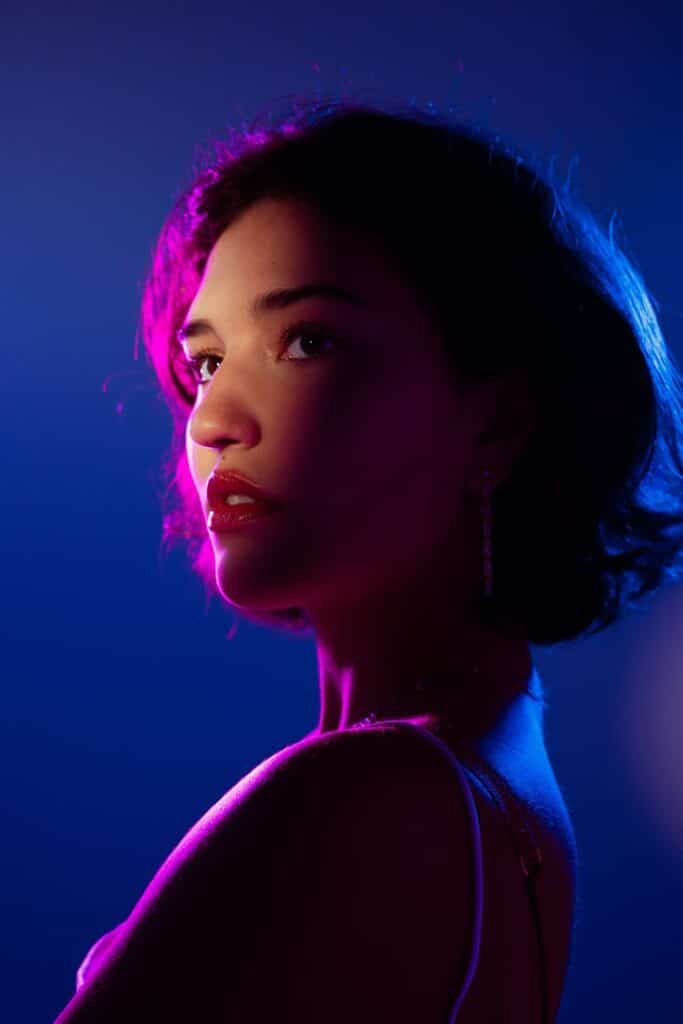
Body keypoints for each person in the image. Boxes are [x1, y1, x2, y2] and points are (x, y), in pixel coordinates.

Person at [54, 96, 683, 1023]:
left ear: (498, 418)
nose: (213, 422)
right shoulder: (497, 788)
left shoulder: (363, 798)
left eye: (307, 341)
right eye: (207, 363)